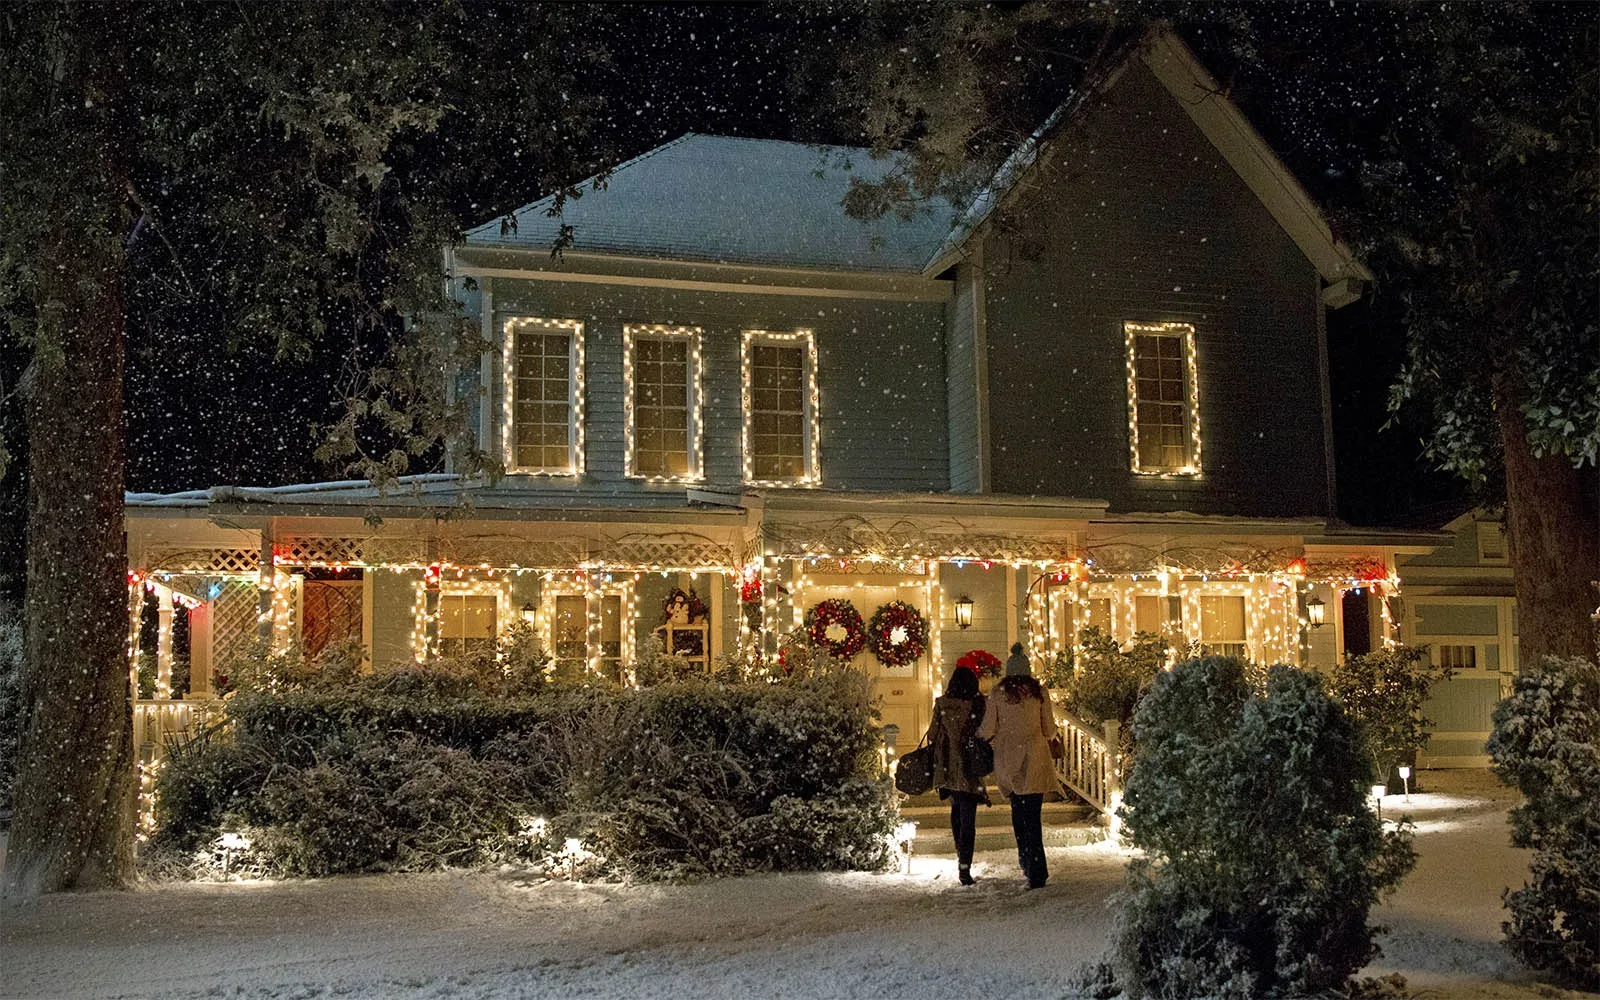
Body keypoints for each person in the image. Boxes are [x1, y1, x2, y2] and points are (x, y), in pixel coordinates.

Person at [978, 642, 1056, 889]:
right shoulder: (1039, 693)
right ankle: (1037, 868)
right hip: (1034, 757)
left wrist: (981, 737)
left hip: (1008, 756)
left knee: (1018, 813)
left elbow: (988, 728)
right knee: (1033, 816)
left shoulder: (998, 693)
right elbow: (1049, 728)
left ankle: (1026, 859)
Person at [924, 665, 990, 885]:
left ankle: (960, 854)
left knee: (956, 811)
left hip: (949, 767)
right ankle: (965, 865)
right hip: (970, 767)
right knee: (968, 819)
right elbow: (985, 733)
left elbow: (932, 734)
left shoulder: (942, 704)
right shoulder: (978, 705)